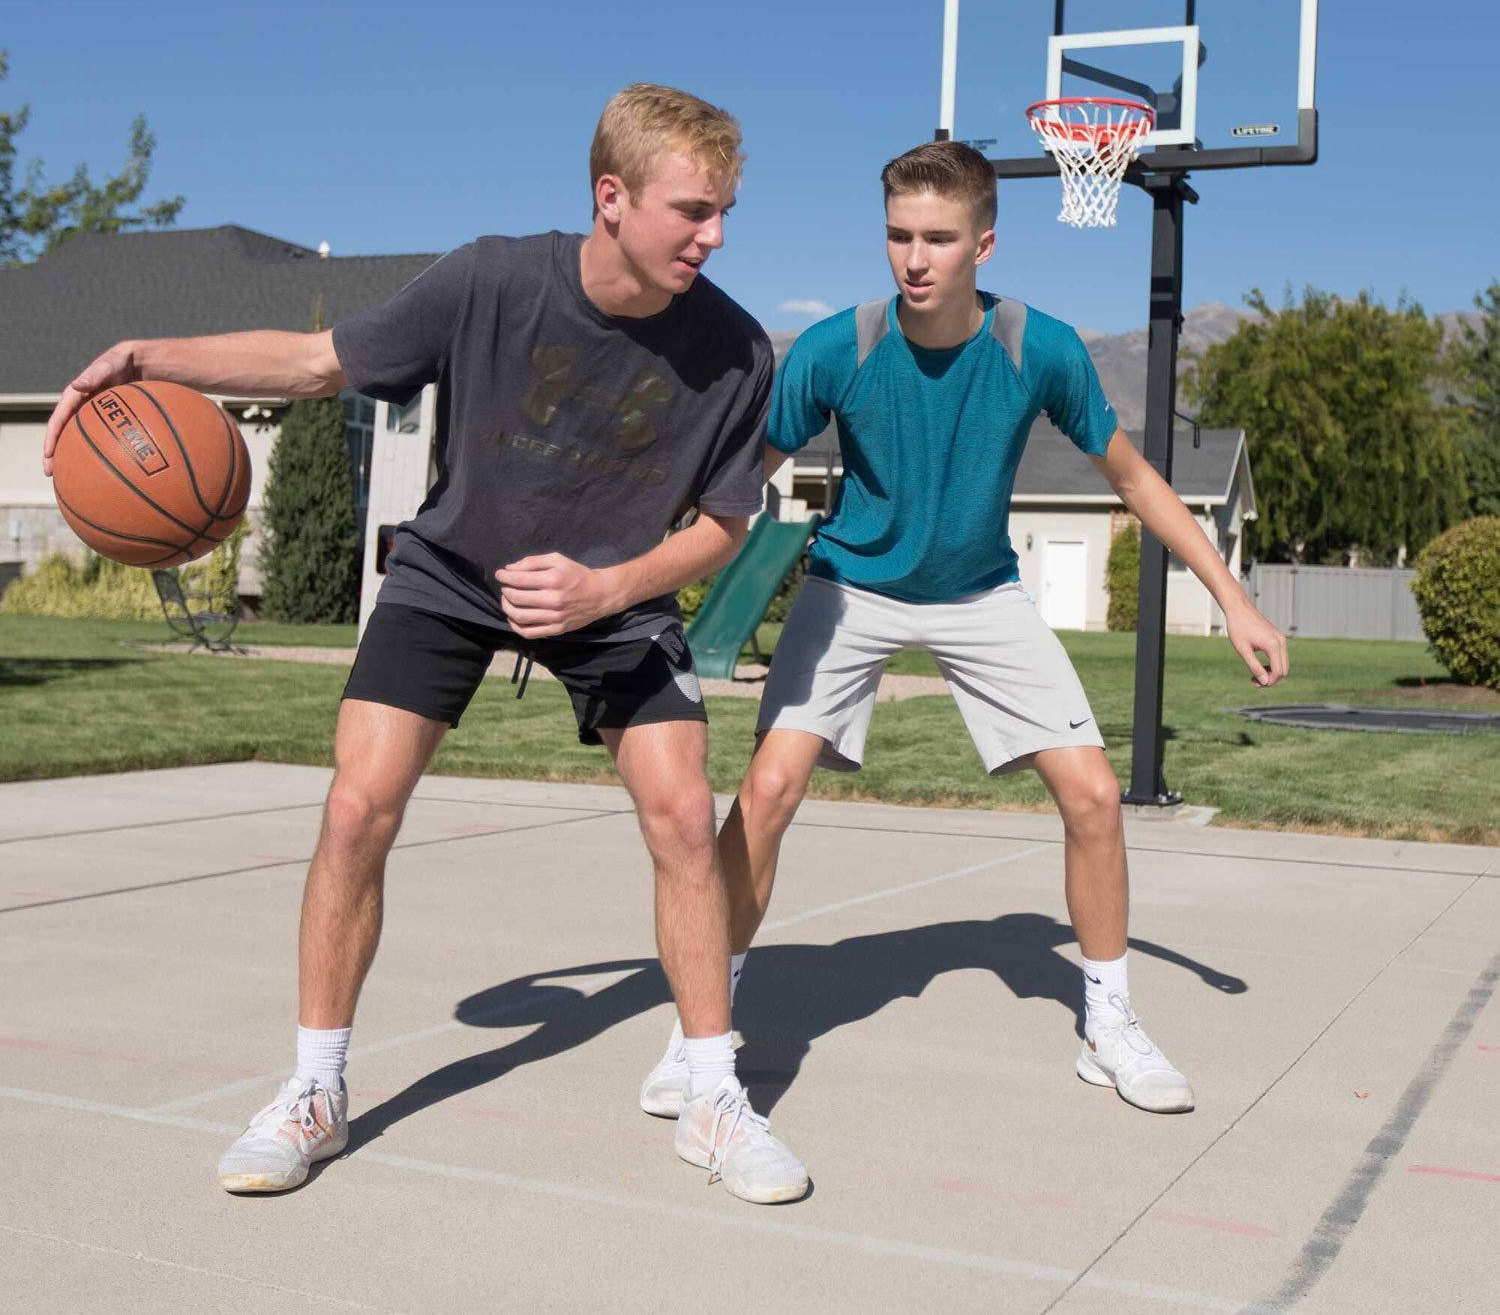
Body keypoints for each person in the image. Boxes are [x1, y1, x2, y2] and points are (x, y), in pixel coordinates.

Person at [43, 84, 809, 1205]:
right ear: (612, 197)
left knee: (686, 816)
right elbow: (317, 364)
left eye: (726, 211)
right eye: (694, 210)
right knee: (357, 808)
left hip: (613, 593)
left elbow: (725, 526)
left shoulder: (736, 349)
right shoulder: (492, 278)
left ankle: (711, 1098)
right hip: (454, 575)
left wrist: (610, 585)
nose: (717, 235)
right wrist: (150, 358)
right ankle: (315, 1091)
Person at [640, 139, 1288, 1121]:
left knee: (1095, 796)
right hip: (852, 586)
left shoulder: (1037, 347)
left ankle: (1109, 1026)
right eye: (898, 235)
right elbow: (739, 480)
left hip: (981, 591)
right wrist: (649, 558)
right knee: (766, 790)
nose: (915, 258)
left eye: (938, 238)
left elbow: (1134, 479)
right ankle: (702, 1029)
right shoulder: (840, 348)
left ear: (983, 244)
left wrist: (1233, 598)